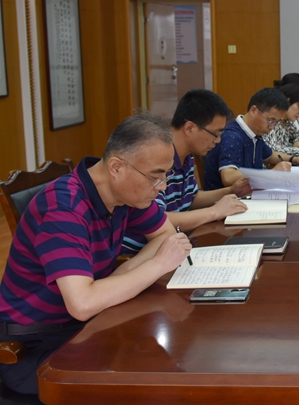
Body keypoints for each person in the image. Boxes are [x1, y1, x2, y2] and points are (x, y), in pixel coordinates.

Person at [0, 112, 192, 395]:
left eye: (166, 175)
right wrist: (156, 265)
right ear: (116, 167)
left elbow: (165, 234)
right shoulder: (63, 207)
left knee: (169, 364)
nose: (162, 186)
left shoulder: (127, 195)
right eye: (155, 176)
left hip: (87, 326)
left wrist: (125, 273)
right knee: (151, 385)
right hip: (38, 347)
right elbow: (83, 303)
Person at [120, 90, 251, 254]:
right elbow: (157, 219)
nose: (218, 141)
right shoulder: (157, 158)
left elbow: (190, 197)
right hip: (142, 253)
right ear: (190, 128)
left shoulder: (187, 156)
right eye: (215, 134)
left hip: (172, 244)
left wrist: (230, 191)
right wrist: (214, 212)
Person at [203, 88, 299, 191]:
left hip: (248, 194)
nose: (272, 127)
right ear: (254, 110)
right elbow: (228, 177)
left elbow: (269, 156)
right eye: (271, 120)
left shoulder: (254, 133)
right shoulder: (232, 137)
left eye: (276, 122)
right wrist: (271, 173)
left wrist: (294, 159)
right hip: (225, 203)